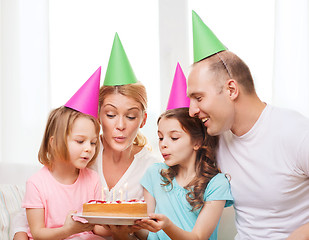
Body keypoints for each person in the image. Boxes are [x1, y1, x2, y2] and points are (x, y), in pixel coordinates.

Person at [187, 10, 309, 240]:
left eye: (199, 98)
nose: (193, 110)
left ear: (231, 90)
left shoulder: (295, 132)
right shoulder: (215, 137)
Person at [134, 63, 233, 240]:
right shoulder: (154, 174)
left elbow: (198, 237)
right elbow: (147, 234)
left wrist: (167, 225)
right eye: (160, 137)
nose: (163, 144)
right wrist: (126, 228)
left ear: (197, 141)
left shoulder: (216, 184)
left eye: (174, 137)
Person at [21, 67, 106, 240]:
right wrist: (68, 230)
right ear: (54, 142)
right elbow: (38, 233)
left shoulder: (93, 179)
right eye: (80, 141)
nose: (89, 148)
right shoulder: (37, 184)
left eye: (93, 142)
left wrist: (121, 226)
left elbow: (98, 229)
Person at [91, 33, 161, 239]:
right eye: (111, 115)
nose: (120, 126)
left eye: (130, 116)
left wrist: (131, 229)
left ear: (143, 119)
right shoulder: (85, 155)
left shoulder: (152, 167)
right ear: (98, 115)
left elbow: (155, 234)